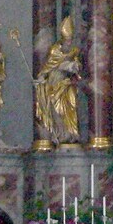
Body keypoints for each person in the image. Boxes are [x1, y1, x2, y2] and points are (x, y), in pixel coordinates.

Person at [35, 17, 82, 145]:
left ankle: (71, 133)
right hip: (55, 82)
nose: (68, 42)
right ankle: (61, 135)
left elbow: (77, 65)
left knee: (70, 107)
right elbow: (49, 66)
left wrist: (74, 67)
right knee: (57, 109)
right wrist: (42, 77)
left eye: (70, 40)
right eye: (67, 40)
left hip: (67, 85)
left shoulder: (74, 50)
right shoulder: (55, 50)